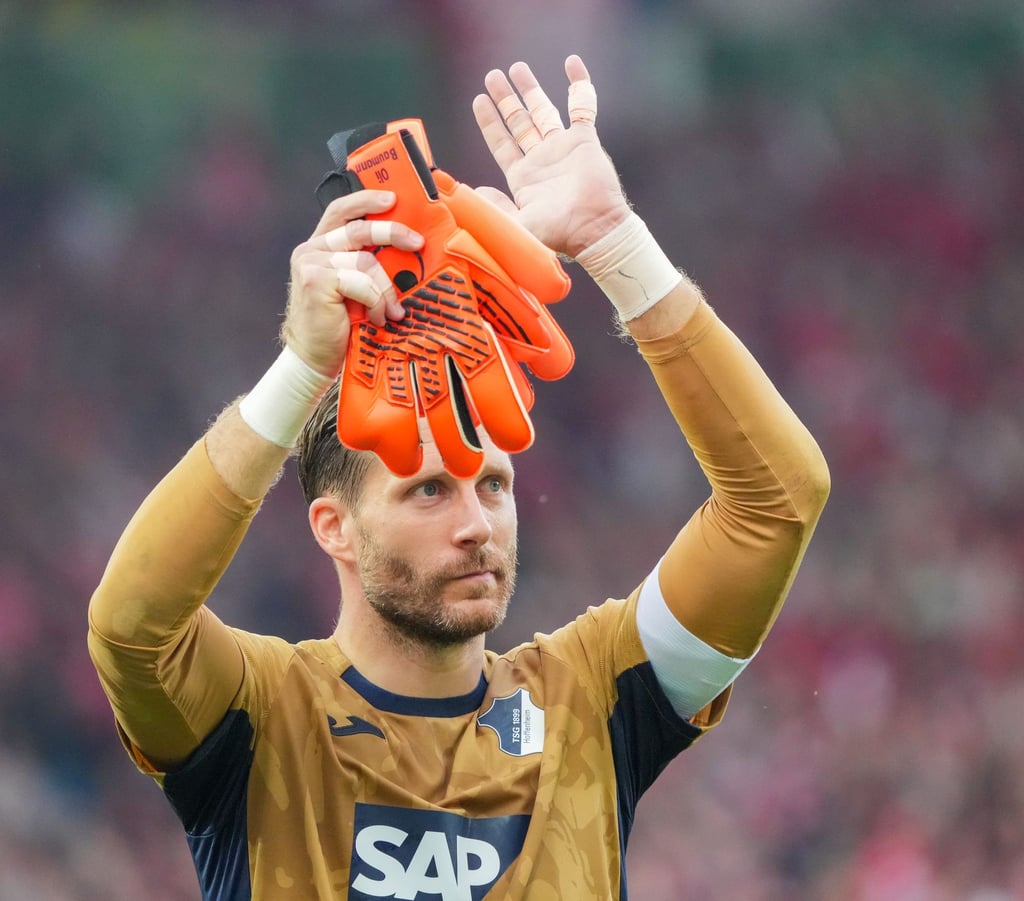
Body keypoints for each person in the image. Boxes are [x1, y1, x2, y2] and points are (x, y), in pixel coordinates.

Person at [88, 55, 829, 900]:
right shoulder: (261, 713)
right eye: (428, 490)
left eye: (495, 486)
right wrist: (303, 366)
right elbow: (130, 627)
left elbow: (779, 501)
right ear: (333, 526)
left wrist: (614, 240)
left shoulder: (592, 698)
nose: (477, 523)